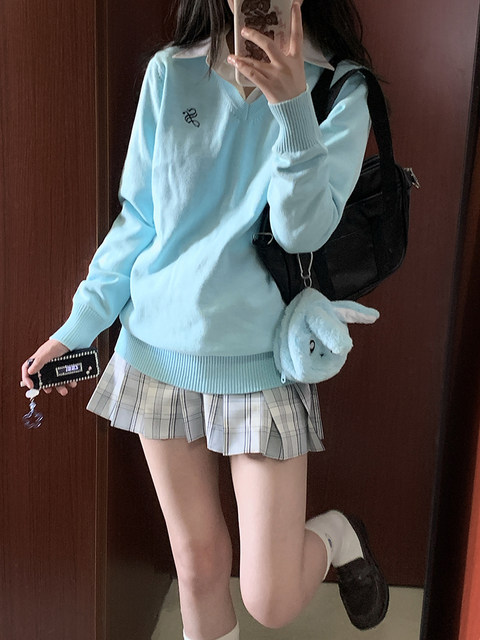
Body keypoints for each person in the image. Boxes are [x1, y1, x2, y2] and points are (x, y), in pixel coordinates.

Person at [21, 1, 389, 638]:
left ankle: (336, 534)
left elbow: (302, 233)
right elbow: (140, 220)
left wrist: (292, 106)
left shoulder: (340, 89)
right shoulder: (171, 72)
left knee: (272, 600)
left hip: (263, 363)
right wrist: (78, 326)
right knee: (197, 566)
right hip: (155, 352)